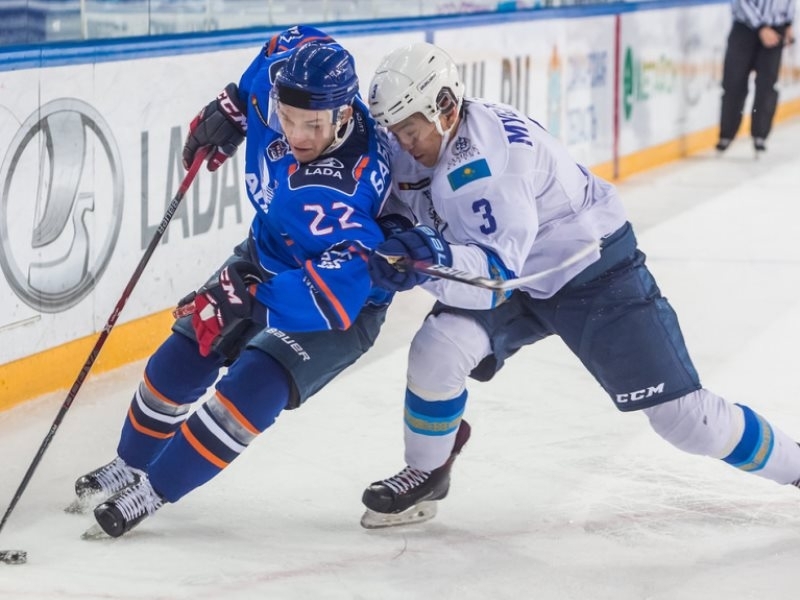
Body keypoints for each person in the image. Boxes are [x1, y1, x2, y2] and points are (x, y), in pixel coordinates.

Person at [358, 41, 800, 529]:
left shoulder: (490, 165)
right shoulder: (426, 135)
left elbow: (491, 282)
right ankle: (428, 470)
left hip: (591, 271)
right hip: (518, 269)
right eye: (394, 130)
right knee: (438, 348)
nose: (402, 143)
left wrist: (428, 260)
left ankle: (797, 466)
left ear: (445, 106)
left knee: (686, 420)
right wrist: (398, 231)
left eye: (409, 130)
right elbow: (408, 208)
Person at [70, 26, 394, 538]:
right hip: (264, 256)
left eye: (312, 125)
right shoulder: (276, 82)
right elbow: (283, 43)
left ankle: (153, 491)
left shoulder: (347, 193)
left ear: (344, 114)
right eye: (287, 119)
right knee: (181, 356)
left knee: (254, 386)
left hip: (337, 305)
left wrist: (249, 300)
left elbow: (339, 294)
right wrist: (235, 104)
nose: (296, 136)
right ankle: (128, 465)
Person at [716, 0, 795, 154]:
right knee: (734, 83)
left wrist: (788, 23)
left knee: (767, 85)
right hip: (745, 29)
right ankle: (727, 133)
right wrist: (760, 27)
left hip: (775, 29)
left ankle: (760, 135)